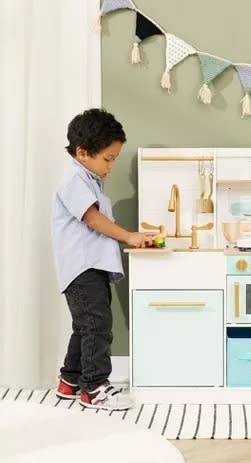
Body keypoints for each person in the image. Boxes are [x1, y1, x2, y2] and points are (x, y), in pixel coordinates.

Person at [52, 108, 153, 411]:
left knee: (85, 326)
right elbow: (93, 219)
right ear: (82, 152)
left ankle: (70, 381)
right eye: (107, 159)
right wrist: (128, 236)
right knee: (97, 325)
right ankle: (94, 388)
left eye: (114, 159)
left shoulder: (89, 180)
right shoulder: (74, 180)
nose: (111, 166)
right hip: (82, 267)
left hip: (90, 268)